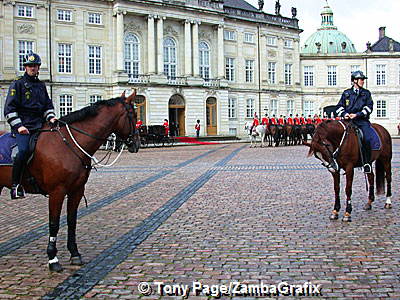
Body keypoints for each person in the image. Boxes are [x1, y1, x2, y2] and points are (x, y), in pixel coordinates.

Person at [4, 52, 57, 199]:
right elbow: (9, 109)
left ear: (38, 67)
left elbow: (47, 105)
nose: (32, 68)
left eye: (35, 66)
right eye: (30, 66)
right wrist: (19, 126)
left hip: (40, 126)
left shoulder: (41, 86)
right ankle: (16, 186)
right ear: (25, 67)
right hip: (23, 128)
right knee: (23, 151)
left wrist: (51, 117)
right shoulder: (18, 84)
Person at [335, 70, 373, 173]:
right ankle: (335, 161)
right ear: (355, 81)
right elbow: (339, 107)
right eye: (361, 79)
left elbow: (369, 108)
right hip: (347, 121)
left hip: (361, 121)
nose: (363, 81)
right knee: (336, 137)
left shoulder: (366, 93)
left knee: (367, 138)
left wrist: (357, 114)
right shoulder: (346, 93)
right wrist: (345, 114)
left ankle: (366, 163)